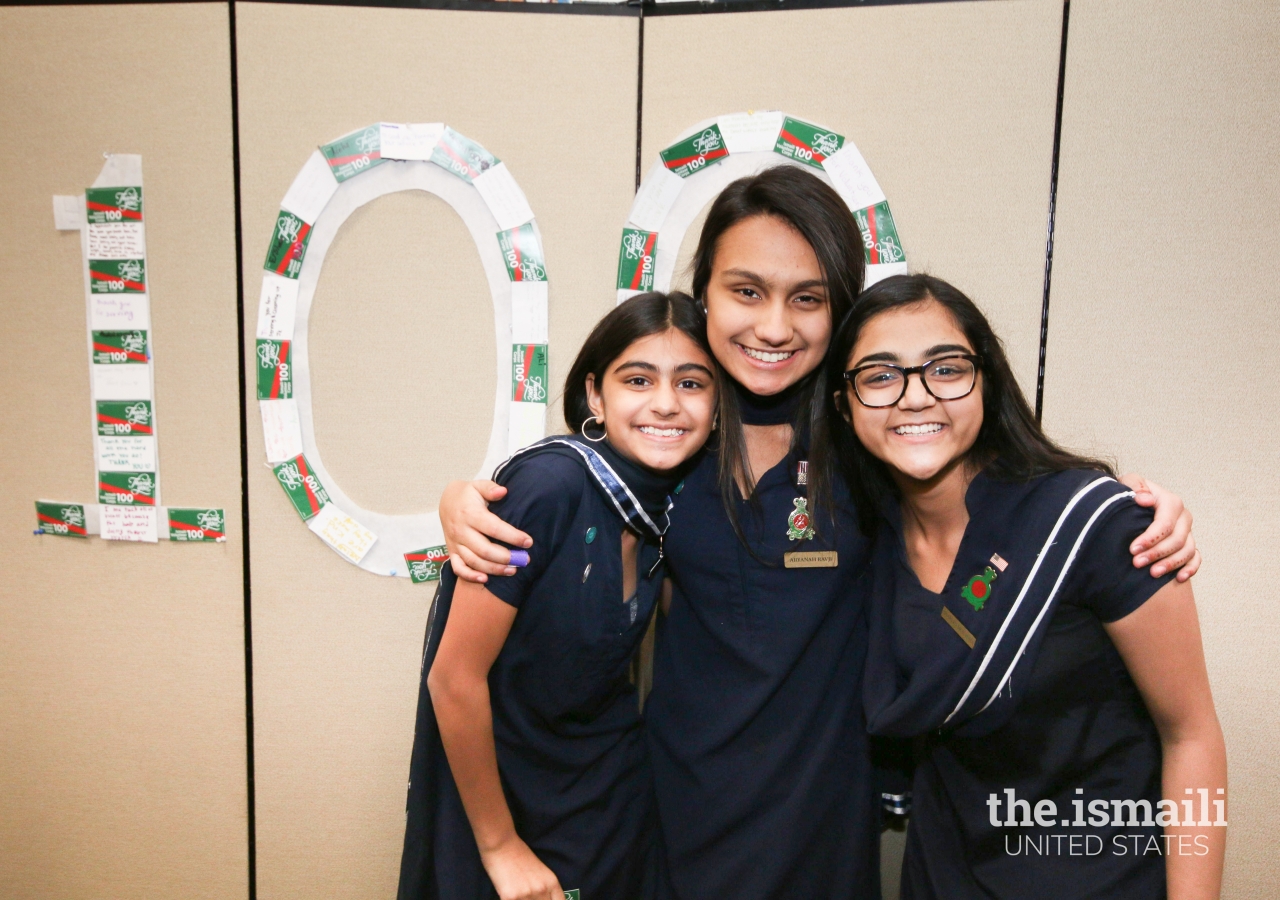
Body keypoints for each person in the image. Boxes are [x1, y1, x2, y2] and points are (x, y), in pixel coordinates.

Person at [437, 166, 1201, 899]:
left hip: (823, 823)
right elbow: (561, 503)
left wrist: (1131, 509)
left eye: (807, 297)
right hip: (672, 813)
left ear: (838, 311)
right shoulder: (668, 450)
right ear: (703, 295)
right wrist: (460, 501)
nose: (774, 325)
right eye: (746, 291)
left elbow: (997, 491)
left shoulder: (867, 451)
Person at [829, 274, 1225, 899]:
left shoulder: (1099, 525)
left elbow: (1192, 734)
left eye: (947, 368)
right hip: (944, 876)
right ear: (844, 404)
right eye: (880, 376)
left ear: (986, 379)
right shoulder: (864, 540)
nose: (915, 397)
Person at [397, 292, 717, 900]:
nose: (667, 403)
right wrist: (499, 846)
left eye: (693, 383)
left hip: (605, 804)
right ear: (596, 395)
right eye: (638, 379)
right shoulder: (547, 491)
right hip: (507, 799)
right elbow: (455, 678)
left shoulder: (675, 503)